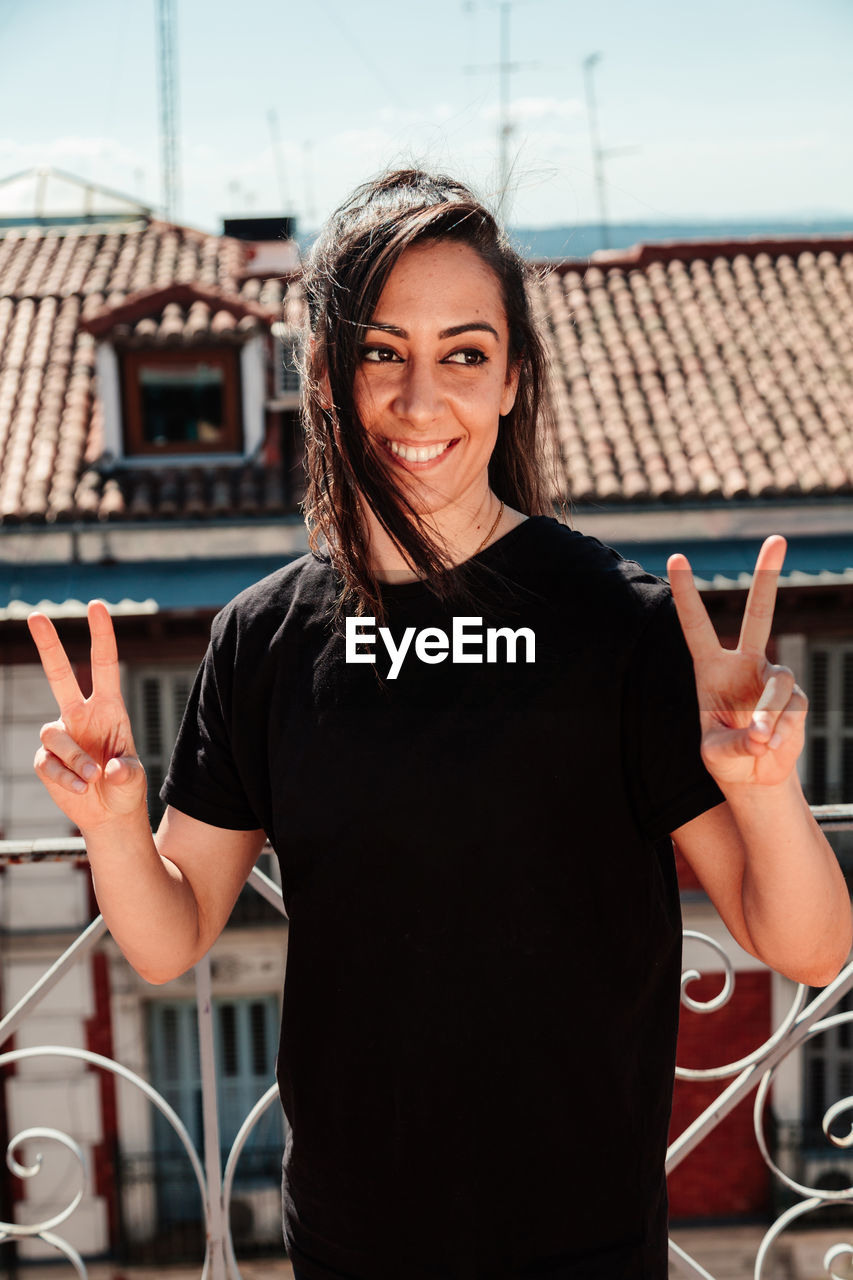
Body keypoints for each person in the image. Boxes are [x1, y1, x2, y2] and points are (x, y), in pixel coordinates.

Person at [28, 170, 851, 1280]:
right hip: (351, 1245)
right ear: (323, 375)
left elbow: (807, 944)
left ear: (512, 379)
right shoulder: (260, 638)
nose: (423, 401)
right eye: (382, 352)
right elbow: (169, 937)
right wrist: (115, 819)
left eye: (464, 353)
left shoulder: (620, 625)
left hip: (585, 1249)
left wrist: (764, 789)